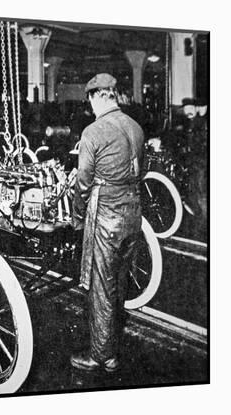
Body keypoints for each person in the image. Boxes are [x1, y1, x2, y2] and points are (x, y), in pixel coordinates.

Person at [71, 73, 144, 372]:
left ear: (96, 96)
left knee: (102, 286)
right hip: (133, 213)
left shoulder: (93, 131)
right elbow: (142, 170)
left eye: (89, 99)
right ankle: (111, 348)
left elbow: (83, 181)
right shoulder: (135, 127)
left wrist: (77, 216)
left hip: (107, 216)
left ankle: (101, 356)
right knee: (120, 282)